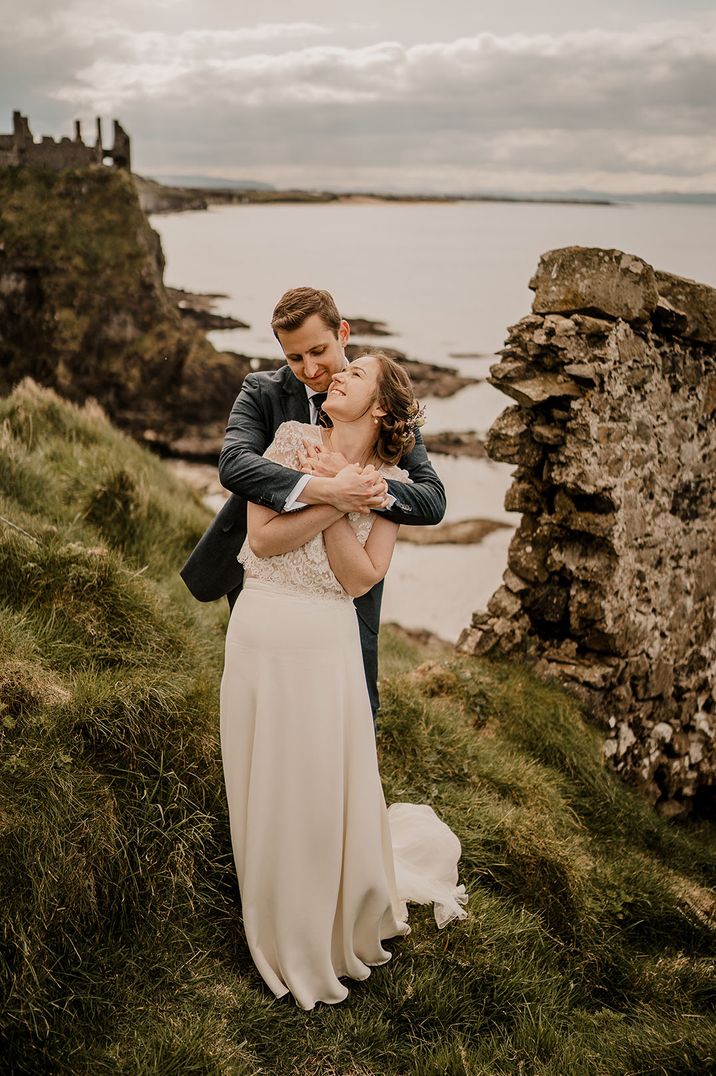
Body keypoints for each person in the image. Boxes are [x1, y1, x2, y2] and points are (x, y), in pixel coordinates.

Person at [220, 349, 468, 1010]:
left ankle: (315, 923)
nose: (340, 373)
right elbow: (265, 539)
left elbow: (360, 579)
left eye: (357, 372)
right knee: (263, 778)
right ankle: (267, 905)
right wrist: (335, 493)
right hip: (260, 628)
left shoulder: (393, 484)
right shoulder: (290, 440)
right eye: (343, 367)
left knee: (314, 783)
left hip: (327, 642)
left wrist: (353, 489)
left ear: (381, 407)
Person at [180, 287, 446, 717]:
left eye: (318, 350)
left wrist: (364, 486)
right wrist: (328, 489)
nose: (310, 368)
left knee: (353, 708)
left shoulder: (385, 402)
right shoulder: (262, 392)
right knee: (267, 704)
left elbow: (431, 499)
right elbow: (234, 466)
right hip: (267, 579)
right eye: (294, 358)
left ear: (343, 333)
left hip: (343, 591)